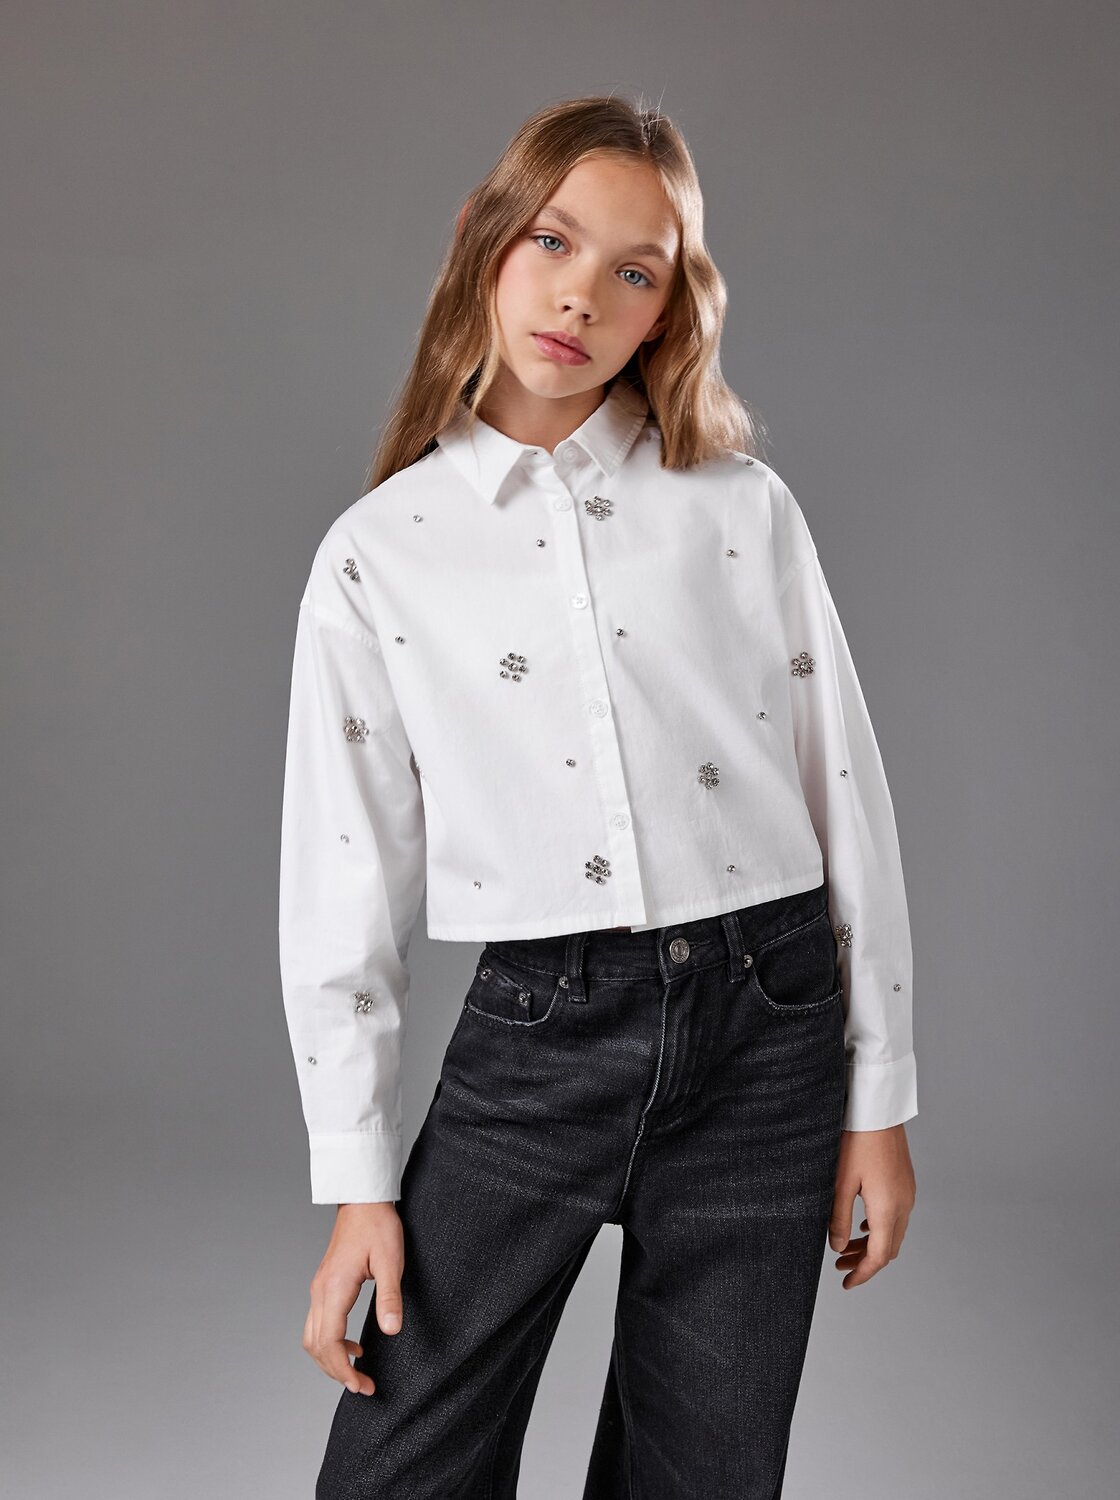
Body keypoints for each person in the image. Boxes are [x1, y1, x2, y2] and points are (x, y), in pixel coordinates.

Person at [278, 93, 917, 1500]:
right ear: (484, 234)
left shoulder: (738, 507)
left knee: (707, 1471)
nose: (580, 295)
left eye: (634, 270)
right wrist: (358, 1186)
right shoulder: (381, 554)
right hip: (541, 1038)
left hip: (769, 1033)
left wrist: (878, 1098)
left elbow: (842, 797)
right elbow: (343, 880)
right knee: (401, 1462)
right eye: (553, 241)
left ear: (668, 310)